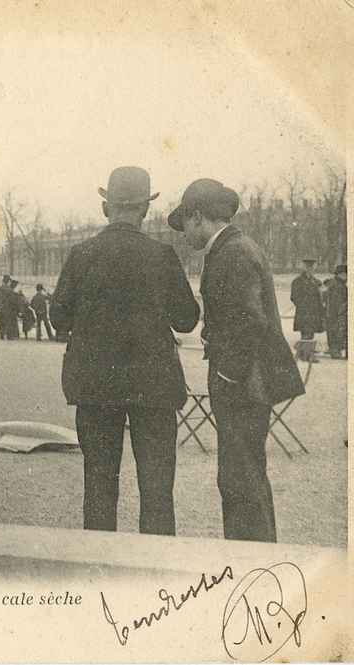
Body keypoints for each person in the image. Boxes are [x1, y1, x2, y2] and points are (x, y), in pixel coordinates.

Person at [50, 166, 199, 536]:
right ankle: (158, 570)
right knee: (157, 488)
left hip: (96, 385)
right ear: (146, 209)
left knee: (99, 484)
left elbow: (57, 317)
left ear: (106, 208)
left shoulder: (81, 254)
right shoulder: (162, 255)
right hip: (154, 385)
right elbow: (186, 320)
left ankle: (99, 570)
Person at [169, 177, 304, 543]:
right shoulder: (237, 247)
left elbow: (249, 322)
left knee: (239, 477)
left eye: (185, 225)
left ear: (198, 216)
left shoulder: (231, 253)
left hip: (242, 385)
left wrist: (229, 374)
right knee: (244, 476)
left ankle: (251, 562)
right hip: (248, 382)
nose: (184, 234)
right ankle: (256, 557)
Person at [290, 258, 325, 344]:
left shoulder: (317, 282)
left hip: (314, 312)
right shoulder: (297, 281)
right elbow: (294, 297)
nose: (311, 270)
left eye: (312, 268)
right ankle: (304, 354)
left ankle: (308, 353)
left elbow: (321, 296)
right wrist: (303, 305)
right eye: (308, 267)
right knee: (305, 334)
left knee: (311, 334)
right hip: (304, 312)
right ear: (304, 268)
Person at [325, 264, 347, 359]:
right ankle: (335, 352)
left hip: (333, 314)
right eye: (345, 274)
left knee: (334, 332)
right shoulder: (338, 285)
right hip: (336, 314)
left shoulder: (337, 284)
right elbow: (337, 302)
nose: (346, 276)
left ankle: (335, 351)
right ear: (339, 274)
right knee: (336, 332)